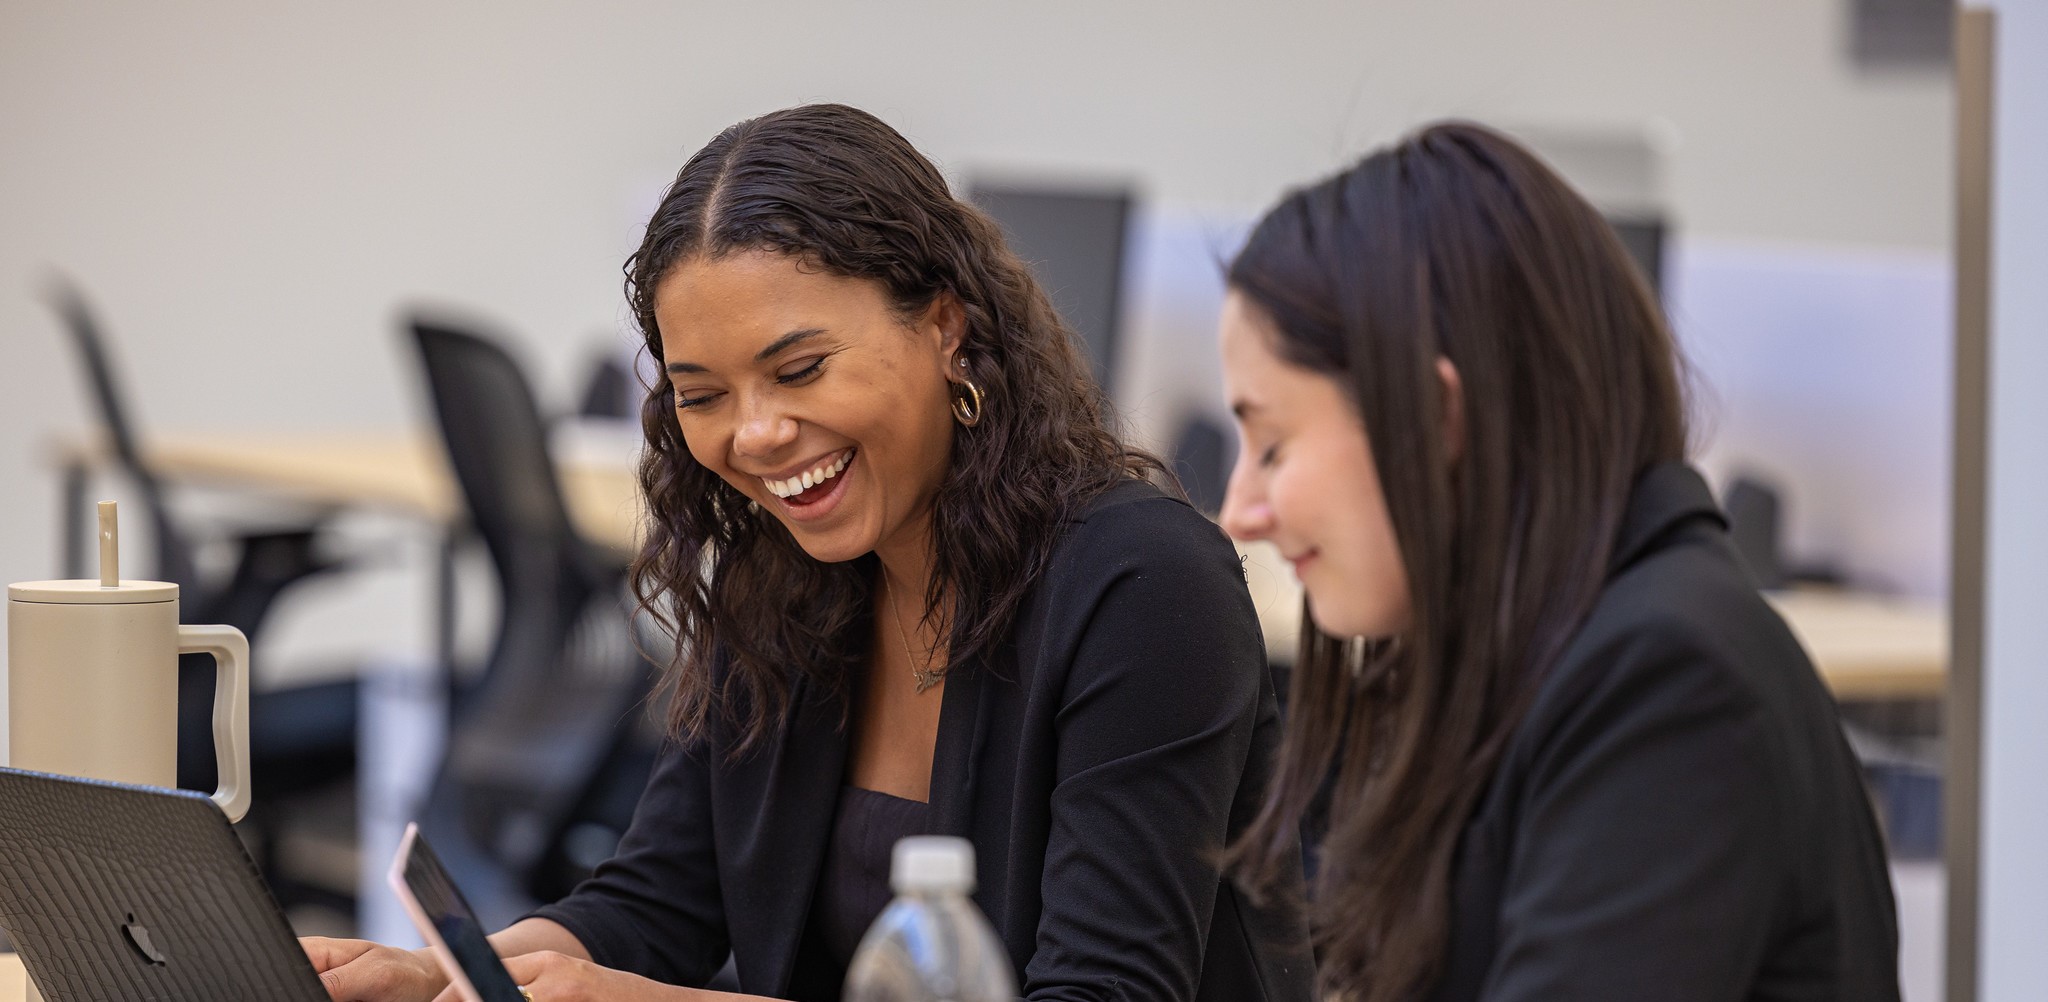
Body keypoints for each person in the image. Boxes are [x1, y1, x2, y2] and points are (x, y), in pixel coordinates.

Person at [307, 103, 1313, 1002]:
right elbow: (658, 898)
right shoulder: (787, 586)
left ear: (946, 330)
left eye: (798, 369)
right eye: (701, 395)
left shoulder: (1140, 585)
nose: (752, 435)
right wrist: (455, 975)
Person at [1215, 122, 1901, 1002]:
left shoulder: (1666, 682)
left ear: (1432, 419)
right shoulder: (1552, 662)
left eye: (1272, 445)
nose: (1241, 511)